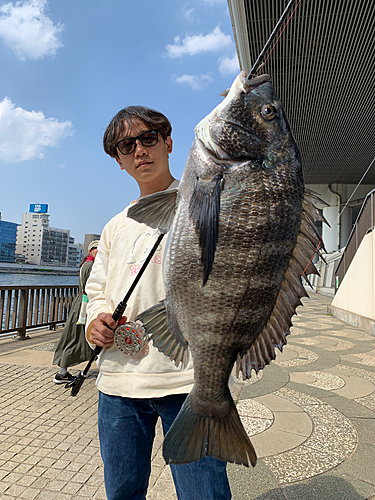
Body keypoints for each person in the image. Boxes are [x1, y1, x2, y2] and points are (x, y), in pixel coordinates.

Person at [85, 106, 231, 500]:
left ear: (168, 143)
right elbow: (97, 288)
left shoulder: (206, 200)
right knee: (122, 491)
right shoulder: (115, 224)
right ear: (118, 161)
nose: (139, 151)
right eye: (126, 146)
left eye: (148, 139)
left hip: (186, 380)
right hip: (118, 380)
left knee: (204, 492)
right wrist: (95, 318)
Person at [52, 240, 98, 383]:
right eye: (96, 249)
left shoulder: (87, 264)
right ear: (90, 251)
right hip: (85, 304)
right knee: (75, 336)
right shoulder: (91, 265)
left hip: (83, 302)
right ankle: (62, 373)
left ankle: (63, 371)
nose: (99, 251)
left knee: (78, 335)